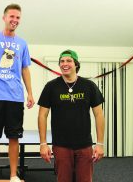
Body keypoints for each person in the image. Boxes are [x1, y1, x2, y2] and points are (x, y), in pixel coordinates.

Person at [0, 3, 35, 182]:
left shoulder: (22, 43)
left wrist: (30, 93)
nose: (15, 20)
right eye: (12, 16)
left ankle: (13, 175)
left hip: (15, 97)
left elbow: (25, 69)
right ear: (4, 18)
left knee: (14, 137)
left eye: (18, 17)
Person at [38, 50, 105, 182]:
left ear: (76, 65)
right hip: (61, 145)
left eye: (69, 61)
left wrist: (100, 143)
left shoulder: (89, 86)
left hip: (84, 145)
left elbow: (99, 115)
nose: (65, 64)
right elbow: (42, 115)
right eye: (62, 61)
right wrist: (43, 143)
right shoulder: (51, 87)